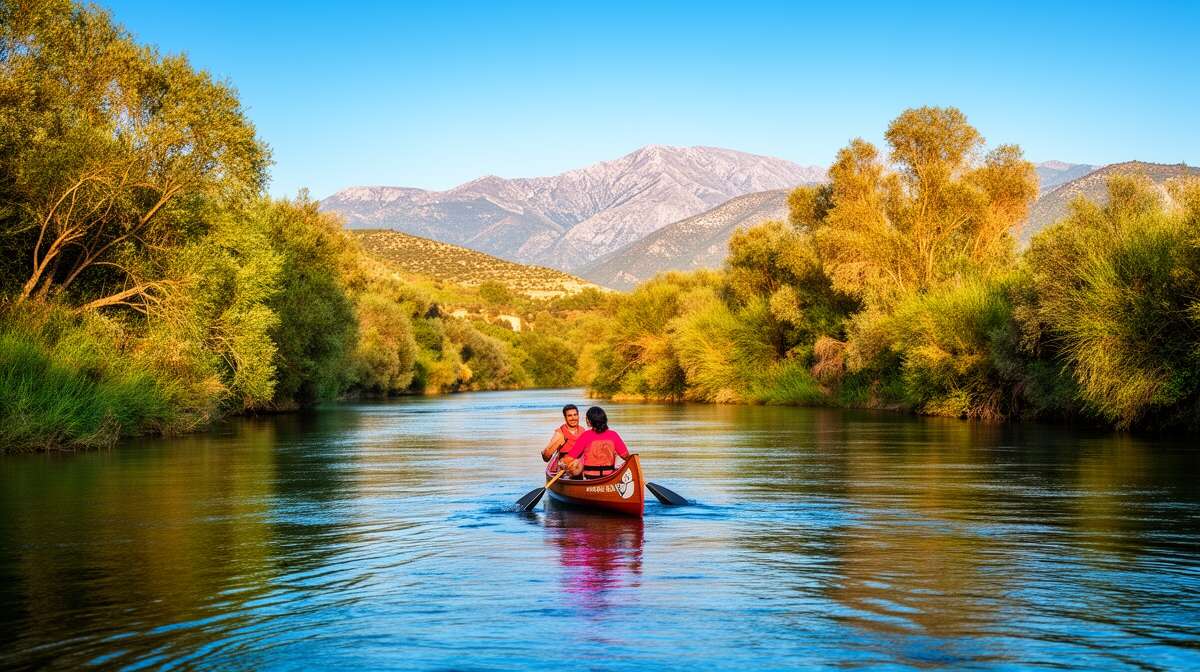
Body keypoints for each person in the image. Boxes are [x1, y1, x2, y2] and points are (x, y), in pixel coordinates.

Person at [559, 406, 630, 479]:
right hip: (609, 476)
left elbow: (570, 458)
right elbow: (627, 457)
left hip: (590, 476)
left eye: (587, 418)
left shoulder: (585, 435)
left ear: (590, 421)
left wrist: (561, 463)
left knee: (573, 463)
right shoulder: (613, 435)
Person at [541, 404, 582, 473]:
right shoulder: (560, 433)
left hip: (580, 465)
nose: (573, 418)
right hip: (564, 468)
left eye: (575, 415)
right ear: (565, 417)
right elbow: (546, 458)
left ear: (578, 416)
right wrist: (545, 453)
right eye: (569, 416)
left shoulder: (583, 431)